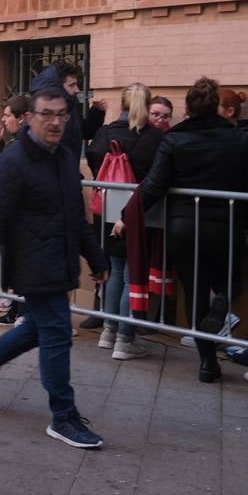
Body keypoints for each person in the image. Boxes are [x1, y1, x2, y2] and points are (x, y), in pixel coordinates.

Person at [0, 86, 111, 449]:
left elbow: (76, 216)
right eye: (47, 114)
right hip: (32, 264)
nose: (55, 122)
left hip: (61, 257)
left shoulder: (64, 156)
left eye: (62, 115)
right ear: (30, 118)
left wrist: (96, 258)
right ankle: (64, 416)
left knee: (40, 327)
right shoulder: (13, 162)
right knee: (56, 331)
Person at [119, 77, 248, 382]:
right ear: (215, 107)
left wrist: (128, 211)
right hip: (227, 223)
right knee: (229, 283)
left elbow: (155, 184)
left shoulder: (175, 139)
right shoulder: (238, 139)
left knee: (195, 291)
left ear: (187, 107)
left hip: (183, 225)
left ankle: (208, 363)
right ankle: (222, 301)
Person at [85, 83, 164, 360]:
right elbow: (158, 175)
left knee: (115, 271)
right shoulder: (153, 138)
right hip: (138, 210)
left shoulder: (105, 132)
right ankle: (125, 338)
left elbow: (94, 159)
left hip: (106, 208)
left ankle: (108, 332)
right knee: (133, 273)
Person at [29, 60, 106, 158]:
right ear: (57, 87)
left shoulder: (70, 106)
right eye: (71, 85)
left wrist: (96, 112)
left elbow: (83, 132)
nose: (77, 90)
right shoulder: (38, 110)